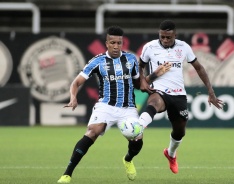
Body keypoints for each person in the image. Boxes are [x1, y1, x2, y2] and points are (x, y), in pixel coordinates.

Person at [57, 26, 172, 183]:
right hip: (106, 105)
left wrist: (155, 74)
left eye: (119, 43)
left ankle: (128, 159)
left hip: (128, 108)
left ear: (122, 43)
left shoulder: (131, 59)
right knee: (93, 131)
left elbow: (140, 85)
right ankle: (67, 174)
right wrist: (73, 97)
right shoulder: (97, 61)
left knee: (137, 139)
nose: (116, 46)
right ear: (107, 43)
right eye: (113, 43)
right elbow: (76, 82)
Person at [138, 20, 224, 174]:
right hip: (159, 90)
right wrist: (144, 81)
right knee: (154, 103)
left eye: (168, 37)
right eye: (162, 37)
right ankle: (138, 127)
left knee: (180, 132)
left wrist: (211, 92)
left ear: (175, 35)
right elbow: (140, 66)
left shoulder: (183, 47)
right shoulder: (150, 47)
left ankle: (171, 154)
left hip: (178, 94)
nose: (164, 40)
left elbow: (199, 68)